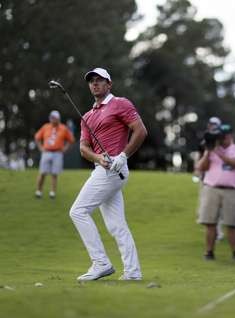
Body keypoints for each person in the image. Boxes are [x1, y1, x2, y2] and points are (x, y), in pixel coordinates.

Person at [69, 67, 147, 281]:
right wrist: (98, 158)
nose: (95, 83)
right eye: (92, 81)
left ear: (109, 84)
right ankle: (133, 272)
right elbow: (83, 148)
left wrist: (123, 156)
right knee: (117, 225)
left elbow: (141, 131)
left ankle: (101, 263)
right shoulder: (87, 116)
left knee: (78, 211)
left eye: (100, 80)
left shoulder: (120, 104)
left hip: (115, 169)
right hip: (102, 167)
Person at [196, 124, 235, 260]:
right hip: (212, 188)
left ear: (229, 136)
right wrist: (207, 152)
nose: (221, 139)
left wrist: (217, 151)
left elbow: (234, 163)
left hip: (231, 191)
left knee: (231, 223)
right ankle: (209, 252)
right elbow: (201, 167)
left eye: (223, 137)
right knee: (210, 222)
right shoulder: (211, 150)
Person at [34, 110, 75, 199]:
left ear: (58, 118)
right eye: (51, 117)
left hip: (57, 153)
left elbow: (71, 140)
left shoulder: (63, 128)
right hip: (46, 152)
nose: (52, 119)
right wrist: (40, 148)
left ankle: (52, 192)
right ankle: (38, 191)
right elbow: (37, 137)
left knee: (54, 173)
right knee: (42, 172)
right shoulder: (45, 127)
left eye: (54, 118)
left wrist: (65, 149)